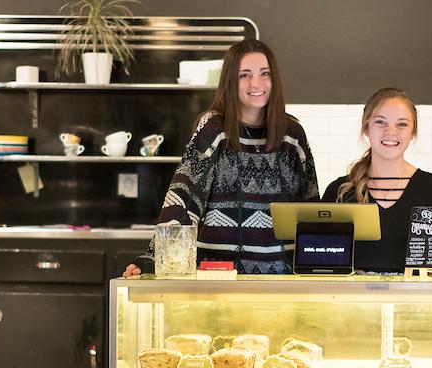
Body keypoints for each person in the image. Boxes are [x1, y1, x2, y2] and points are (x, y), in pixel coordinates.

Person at [124, 39, 319, 277]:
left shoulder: (293, 134)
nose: (256, 83)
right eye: (244, 75)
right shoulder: (214, 128)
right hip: (218, 276)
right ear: (230, 81)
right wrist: (152, 259)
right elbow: (184, 197)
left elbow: (310, 206)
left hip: (280, 277)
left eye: (264, 73)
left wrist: (317, 265)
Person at [321, 87, 432, 274]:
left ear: (413, 132)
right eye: (381, 122)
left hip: (415, 301)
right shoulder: (340, 190)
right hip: (353, 301)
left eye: (402, 124)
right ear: (366, 128)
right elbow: (321, 259)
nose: (391, 131)